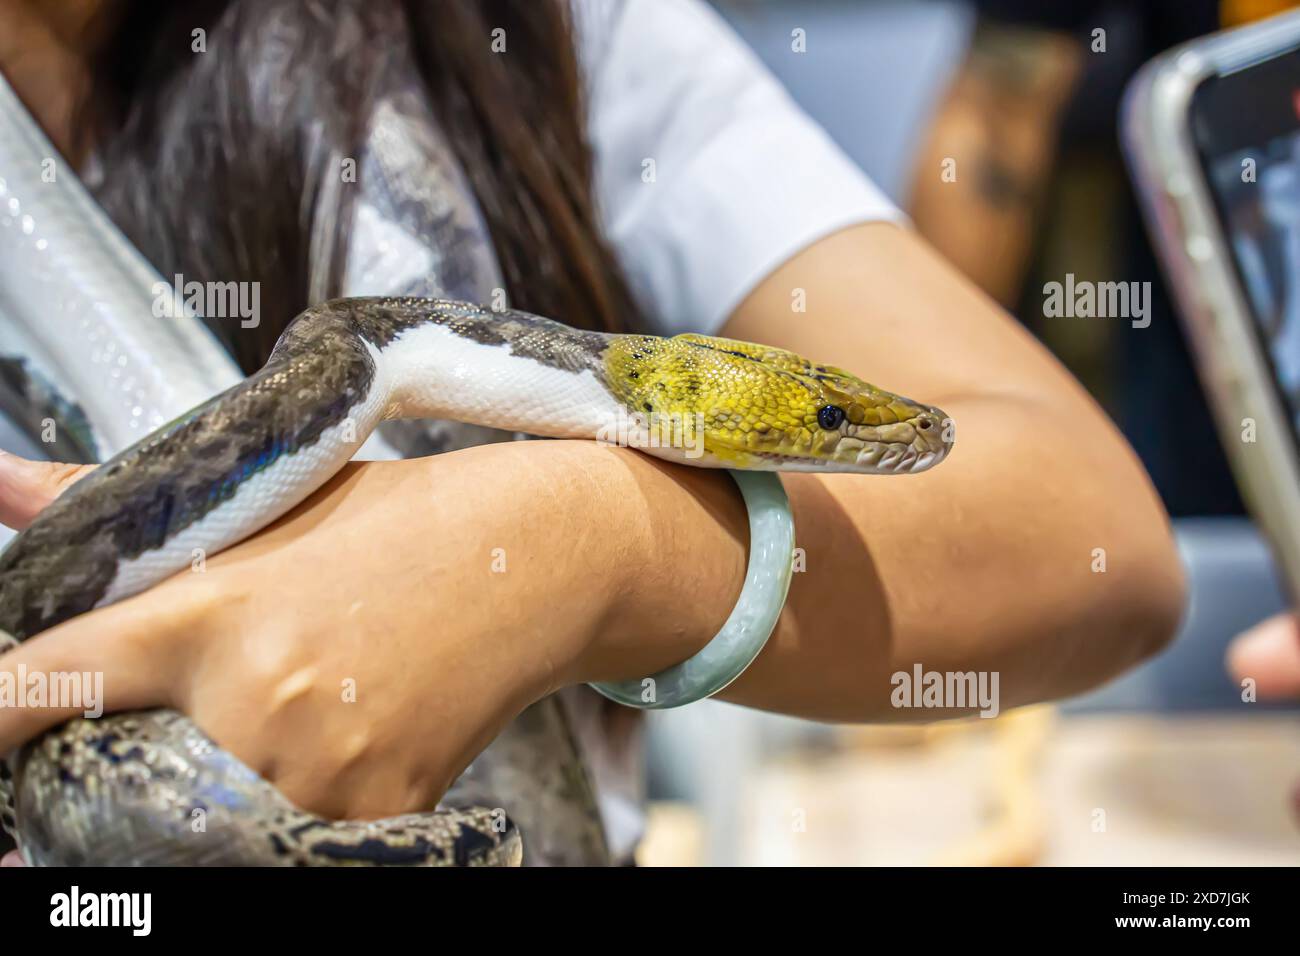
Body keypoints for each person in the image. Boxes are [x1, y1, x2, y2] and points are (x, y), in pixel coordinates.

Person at [0, 0, 1185, 865]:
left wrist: (596, 542)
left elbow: (1105, 544)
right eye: (825, 424)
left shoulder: (521, 31)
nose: (858, 435)